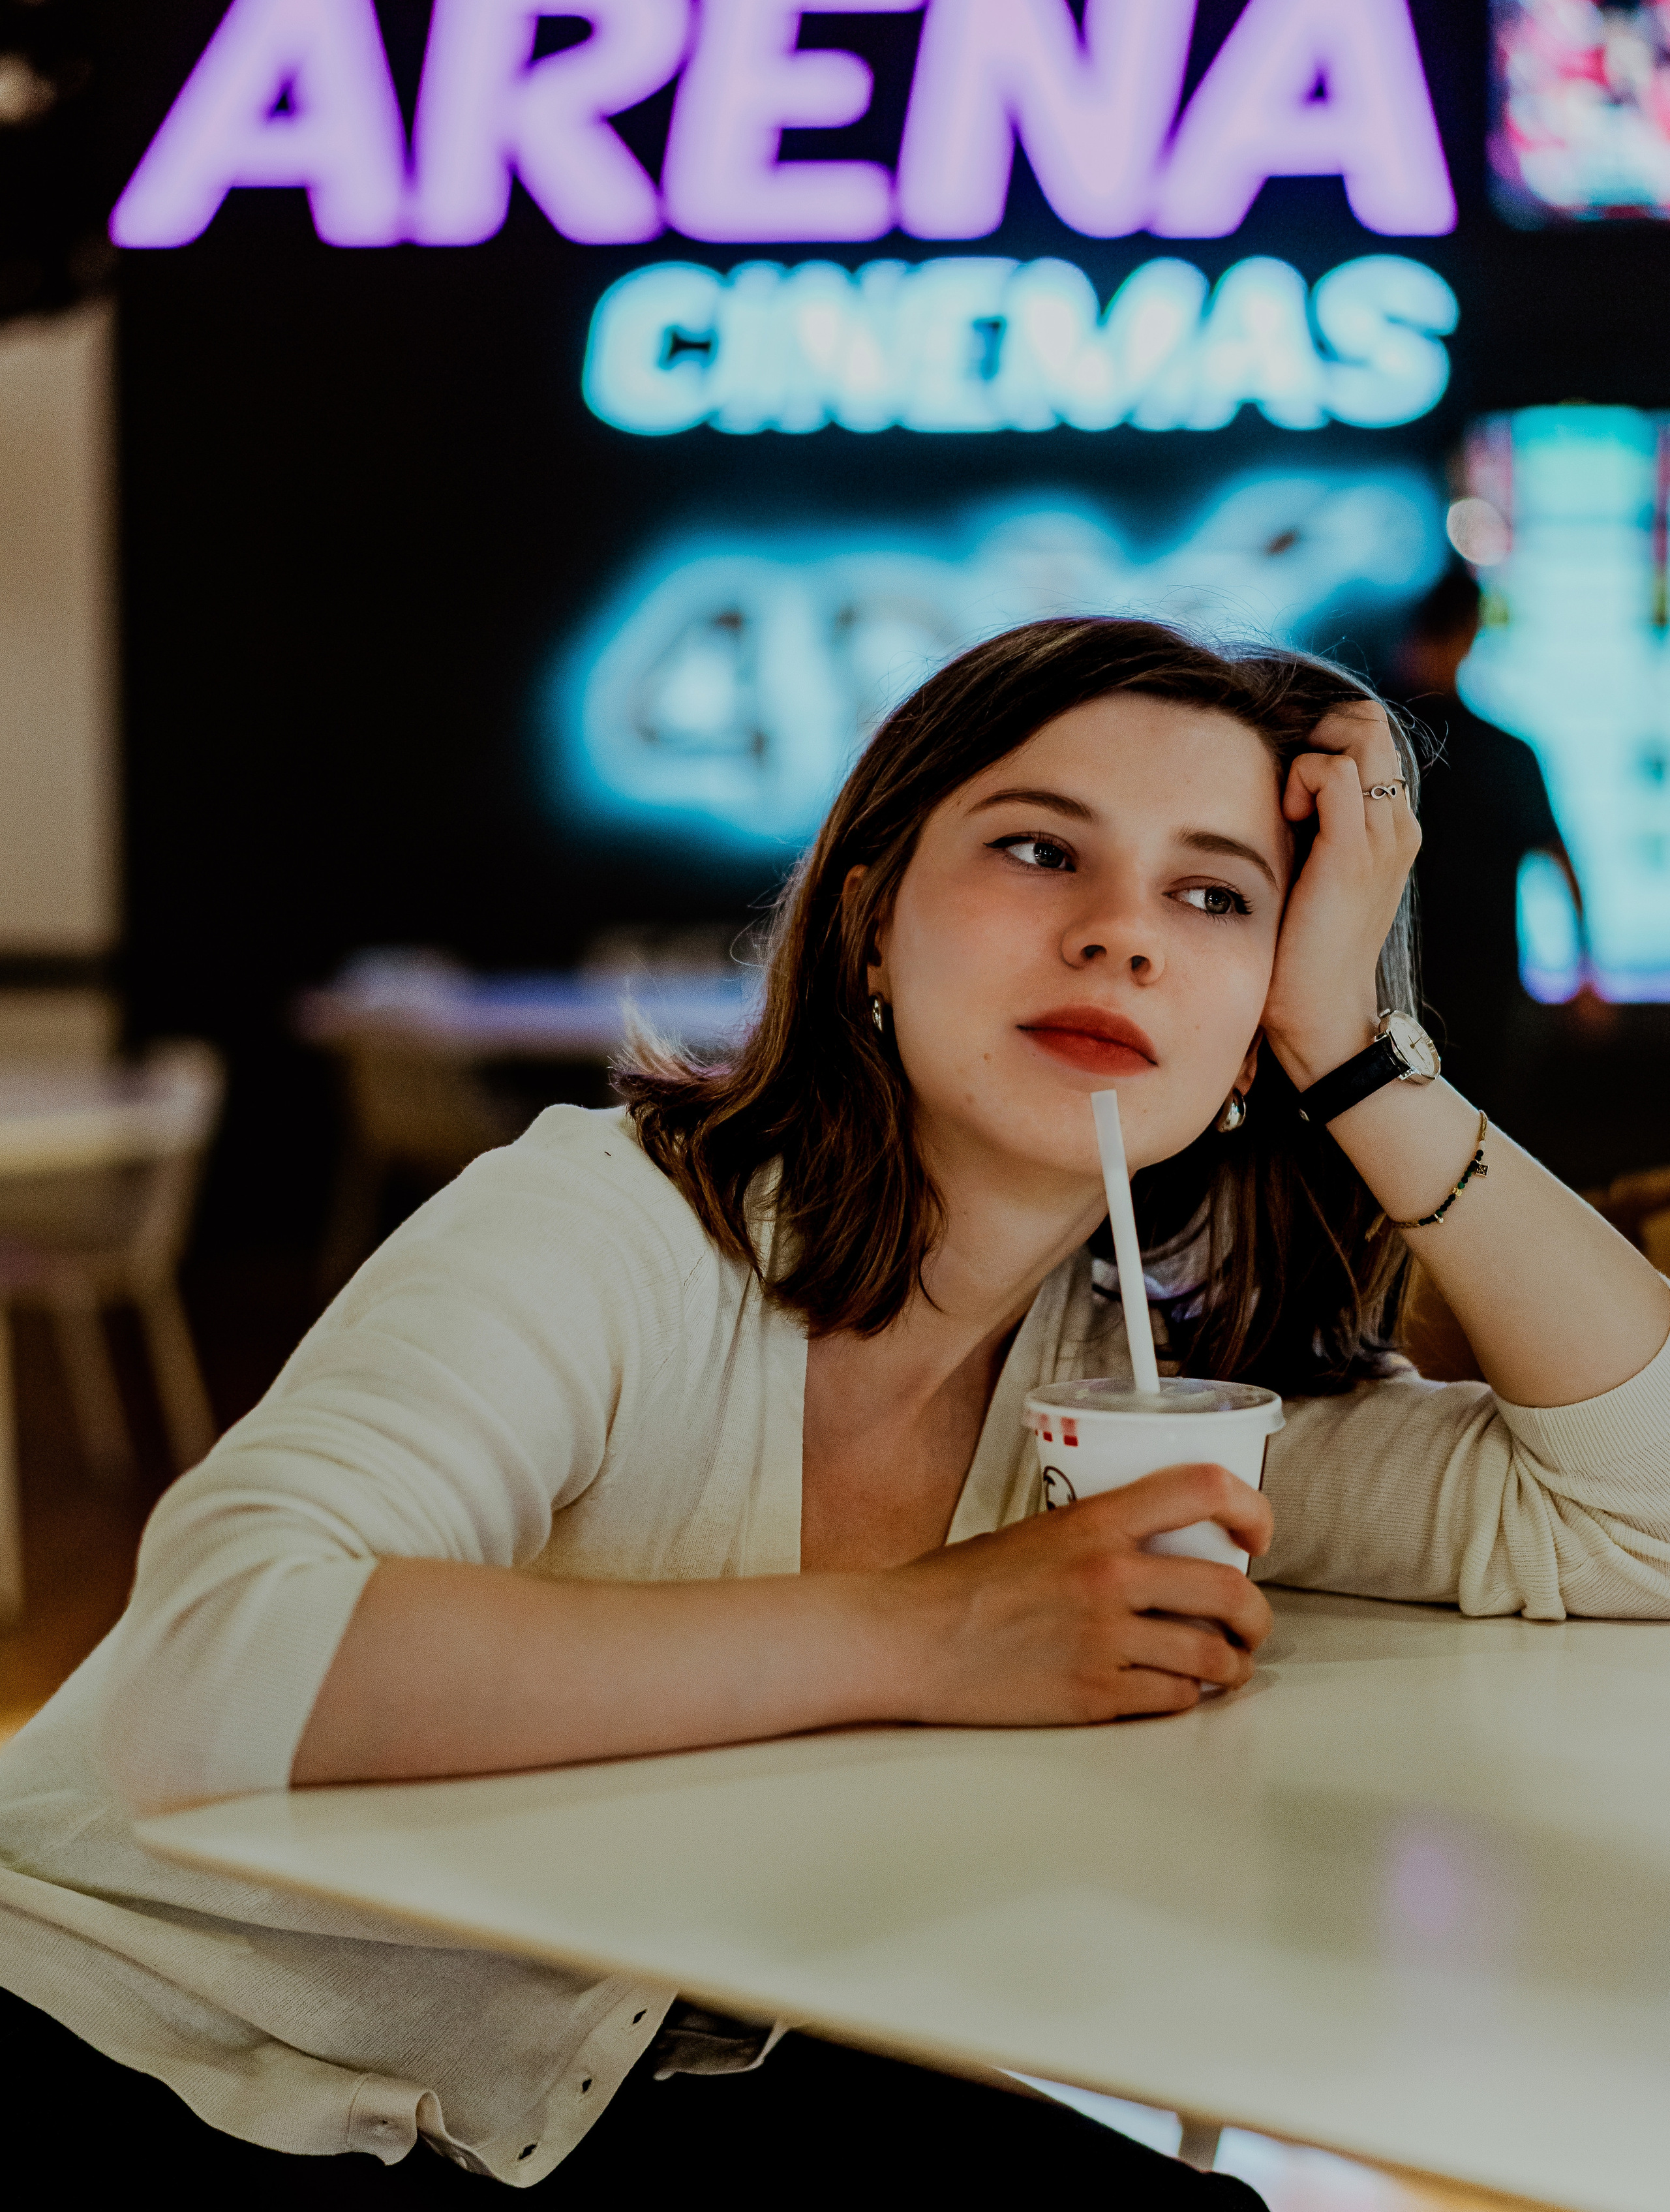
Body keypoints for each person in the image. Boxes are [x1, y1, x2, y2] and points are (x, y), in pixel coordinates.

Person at [3, 619, 1667, 2206]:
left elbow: (1634, 1519)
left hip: (596, 2077)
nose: (1120, 933)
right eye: (1036, 849)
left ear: (1256, 1031)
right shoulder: (613, 1228)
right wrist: (923, 1637)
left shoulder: (1146, 1399)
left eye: (1214, 896)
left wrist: (1364, 1060)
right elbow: (210, 1670)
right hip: (129, 2037)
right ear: (871, 916)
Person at [1395, 565, 1598, 1116]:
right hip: (1485, 989)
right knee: (1481, 1143)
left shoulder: (1369, 746)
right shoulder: (1508, 752)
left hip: (1386, 986)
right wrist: (1584, 973)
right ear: (1472, 635)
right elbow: (1562, 862)